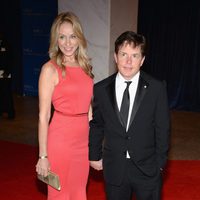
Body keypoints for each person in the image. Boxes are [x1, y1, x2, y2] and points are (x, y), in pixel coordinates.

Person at [89, 31, 170, 200]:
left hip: (147, 169)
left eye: (135, 55)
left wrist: (160, 165)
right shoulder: (101, 89)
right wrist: (94, 155)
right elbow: (97, 124)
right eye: (123, 54)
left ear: (142, 60)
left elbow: (163, 128)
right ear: (115, 57)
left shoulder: (156, 88)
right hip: (114, 167)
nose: (128, 61)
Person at [35, 12, 94, 200]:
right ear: (56, 39)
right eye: (62, 37)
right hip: (60, 141)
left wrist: (95, 145)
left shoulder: (85, 67)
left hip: (83, 143)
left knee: (79, 193)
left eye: (72, 36)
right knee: (60, 194)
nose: (67, 43)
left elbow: (89, 109)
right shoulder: (50, 69)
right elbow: (43, 117)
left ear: (79, 37)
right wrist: (43, 156)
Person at [0, 31, 15, 119]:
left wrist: (7, 72)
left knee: (7, 93)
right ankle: (1, 111)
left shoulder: (7, 45)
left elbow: (10, 59)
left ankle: (11, 113)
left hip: (5, 74)